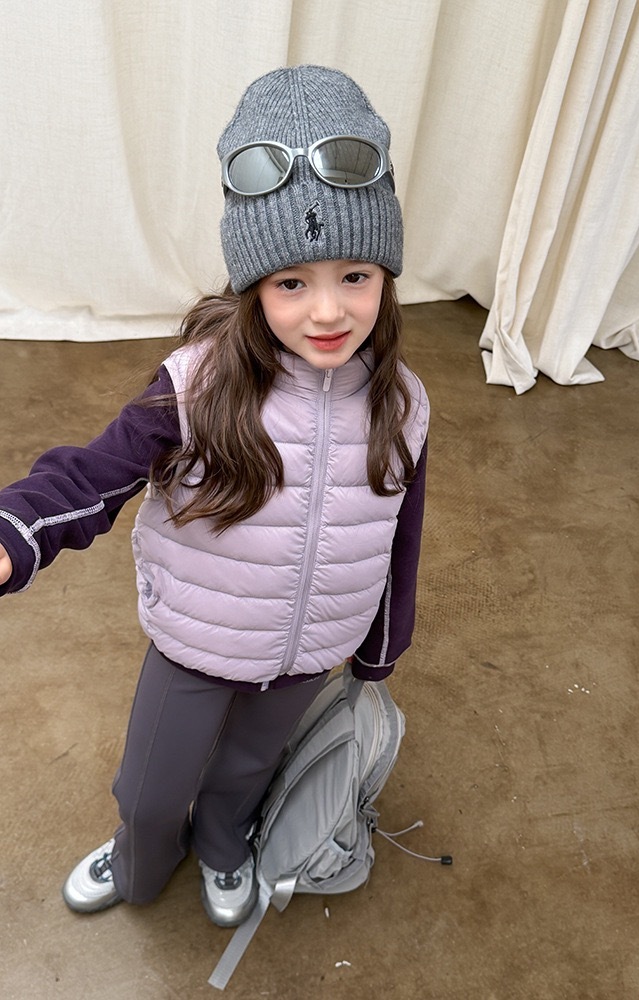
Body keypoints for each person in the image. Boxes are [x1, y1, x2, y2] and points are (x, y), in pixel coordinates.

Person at [0, 65, 429, 928]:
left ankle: (227, 846)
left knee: (244, 774)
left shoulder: (405, 404)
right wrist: (17, 531)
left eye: (355, 275)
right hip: (198, 642)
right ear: (253, 285)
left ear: (385, 274)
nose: (328, 311)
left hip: (308, 652)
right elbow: (93, 474)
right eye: (292, 282)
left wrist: (379, 648)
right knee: (152, 789)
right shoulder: (194, 386)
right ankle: (139, 857)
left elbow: (399, 534)